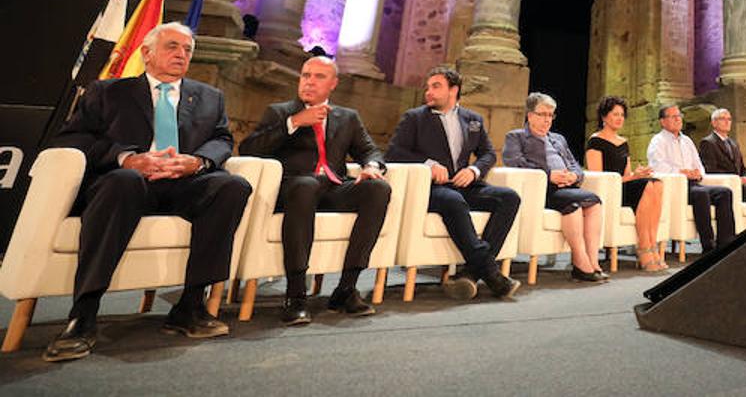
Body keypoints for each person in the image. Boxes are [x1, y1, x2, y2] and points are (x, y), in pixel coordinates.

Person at [44, 22, 252, 362]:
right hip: (126, 184)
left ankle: (190, 306)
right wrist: (127, 158)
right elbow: (73, 138)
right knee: (123, 182)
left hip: (183, 184)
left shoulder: (209, 97)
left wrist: (197, 162)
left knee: (232, 186)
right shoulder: (108, 92)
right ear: (146, 53)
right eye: (172, 46)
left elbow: (222, 139)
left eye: (187, 50)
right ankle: (83, 315)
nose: (181, 54)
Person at [239, 56, 391, 325]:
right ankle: (296, 296)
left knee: (377, 188)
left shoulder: (347, 117)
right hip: (293, 189)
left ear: (333, 83)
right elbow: (250, 148)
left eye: (319, 77)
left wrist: (371, 166)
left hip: (332, 187)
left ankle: (346, 288)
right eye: (305, 75)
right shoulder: (281, 112)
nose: (309, 81)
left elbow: (370, 150)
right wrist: (295, 122)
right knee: (306, 185)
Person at [386, 65, 521, 299]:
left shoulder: (473, 120)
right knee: (453, 200)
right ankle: (491, 274)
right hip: (431, 188)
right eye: (428, 87)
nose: (429, 92)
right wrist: (428, 164)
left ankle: (470, 274)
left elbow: (488, 154)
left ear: (453, 90)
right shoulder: (414, 118)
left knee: (509, 198)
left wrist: (474, 170)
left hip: (464, 184)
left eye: (436, 86)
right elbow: (394, 153)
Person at [502, 92, 606, 282]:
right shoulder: (516, 137)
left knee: (592, 202)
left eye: (551, 115)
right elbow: (514, 162)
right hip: (541, 190)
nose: (547, 120)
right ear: (530, 115)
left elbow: (575, 164)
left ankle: (591, 261)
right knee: (575, 204)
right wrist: (549, 175)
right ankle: (581, 262)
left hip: (566, 189)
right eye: (543, 115)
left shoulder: (558, 139)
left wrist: (574, 175)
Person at [584, 96, 666, 272]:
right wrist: (633, 178)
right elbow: (598, 177)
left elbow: (627, 174)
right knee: (647, 186)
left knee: (656, 183)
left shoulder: (623, 142)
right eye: (615, 114)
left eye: (622, 115)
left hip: (625, 185)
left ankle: (652, 245)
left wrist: (638, 174)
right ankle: (644, 249)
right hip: (610, 192)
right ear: (604, 117)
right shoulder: (595, 141)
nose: (620, 118)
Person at [648, 105, 736, 254]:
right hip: (675, 186)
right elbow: (657, 167)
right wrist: (682, 172)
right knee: (701, 194)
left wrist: (698, 173)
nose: (678, 119)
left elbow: (699, 164)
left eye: (679, 116)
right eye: (673, 116)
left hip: (694, 184)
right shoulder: (658, 141)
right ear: (663, 122)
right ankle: (708, 246)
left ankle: (726, 244)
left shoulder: (687, 141)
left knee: (724, 192)